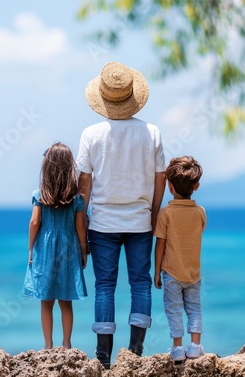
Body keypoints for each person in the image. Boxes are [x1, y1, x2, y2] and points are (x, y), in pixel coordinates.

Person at [76, 62, 166, 369]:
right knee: (141, 283)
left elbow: (84, 185)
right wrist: (154, 216)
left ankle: (102, 357)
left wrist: (82, 224)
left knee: (105, 286)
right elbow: (160, 178)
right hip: (140, 220)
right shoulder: (151, 132)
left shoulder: (91, 134)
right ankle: (135, 354)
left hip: (102, 222)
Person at [22, 142, 89, 350]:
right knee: (66, 299)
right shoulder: (76, 198)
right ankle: (67, 344)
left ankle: (48, 345)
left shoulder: (39, 194)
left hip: (45, 250)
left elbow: (34, 223)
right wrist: (83, 249)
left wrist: (31, 248)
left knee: (46, 300)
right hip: (68, 250)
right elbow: (80, 227)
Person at [154, 156, 206, 362]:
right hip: (193, 273)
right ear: (197, 186)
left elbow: (161, 244)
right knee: (194, 308)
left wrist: (157, 271)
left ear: (169, 186)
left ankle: (177, 349)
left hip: (171, 273)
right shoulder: (200, 212)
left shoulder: (166, 213)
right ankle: (195, 346)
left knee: (173, 310)